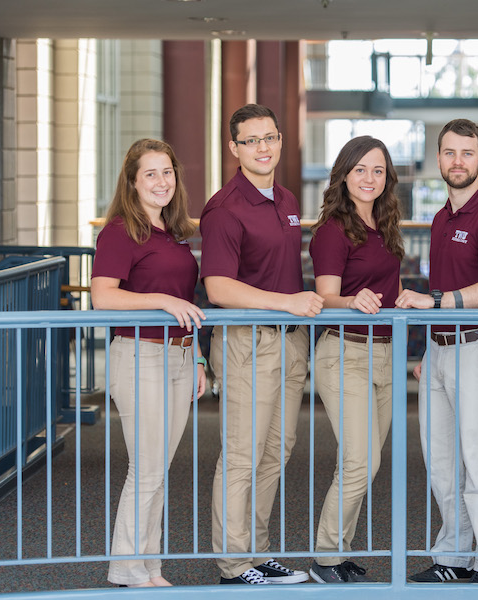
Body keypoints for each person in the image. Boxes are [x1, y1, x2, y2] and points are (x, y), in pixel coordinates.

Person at [200, 103, 323, 585]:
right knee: (243, 455)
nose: (262, 147)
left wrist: (292, 312)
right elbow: (218, 289)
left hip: (288, 345)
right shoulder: (224, 208)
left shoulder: (287, 200)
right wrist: (287, 303)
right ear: (234, 148)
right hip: (246, 344)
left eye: (269, 137)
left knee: (277, 450)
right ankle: (234, 564)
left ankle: (256, 551)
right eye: (251, 141)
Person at [396, 119, 478, 584]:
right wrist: (432, 341)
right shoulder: (440, 218)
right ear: (439, 160)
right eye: (449, 153)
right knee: (443, 463)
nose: (458, 161)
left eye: (467, 153)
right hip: (442, 351)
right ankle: (453, 555)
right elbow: (445, 284)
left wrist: (433, 304)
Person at [92, 138, 207, 587]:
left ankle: (148, 565)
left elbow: (187, 305)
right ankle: (125, 566)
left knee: (159, 470)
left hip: (179, 358)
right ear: (133, 183)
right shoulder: (121, 230)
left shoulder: (174, 232)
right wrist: (161, 300)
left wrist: (196, 356)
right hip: (140, 357)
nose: (162, 182)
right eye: (151, 174)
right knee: (148, 469)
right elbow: (103, 298)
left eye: (168, 172)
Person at [307, 136, 404, 583]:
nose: (370, 178)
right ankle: (326, 556)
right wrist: (351, 300)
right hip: (344, 352)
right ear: (344, 174)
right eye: (361, 169)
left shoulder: (385, 224)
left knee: (370, 461)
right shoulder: (333, 229)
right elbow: (325, 297)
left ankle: (338, 551)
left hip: (385, 353)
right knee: (360, 461)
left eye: (378, 170)